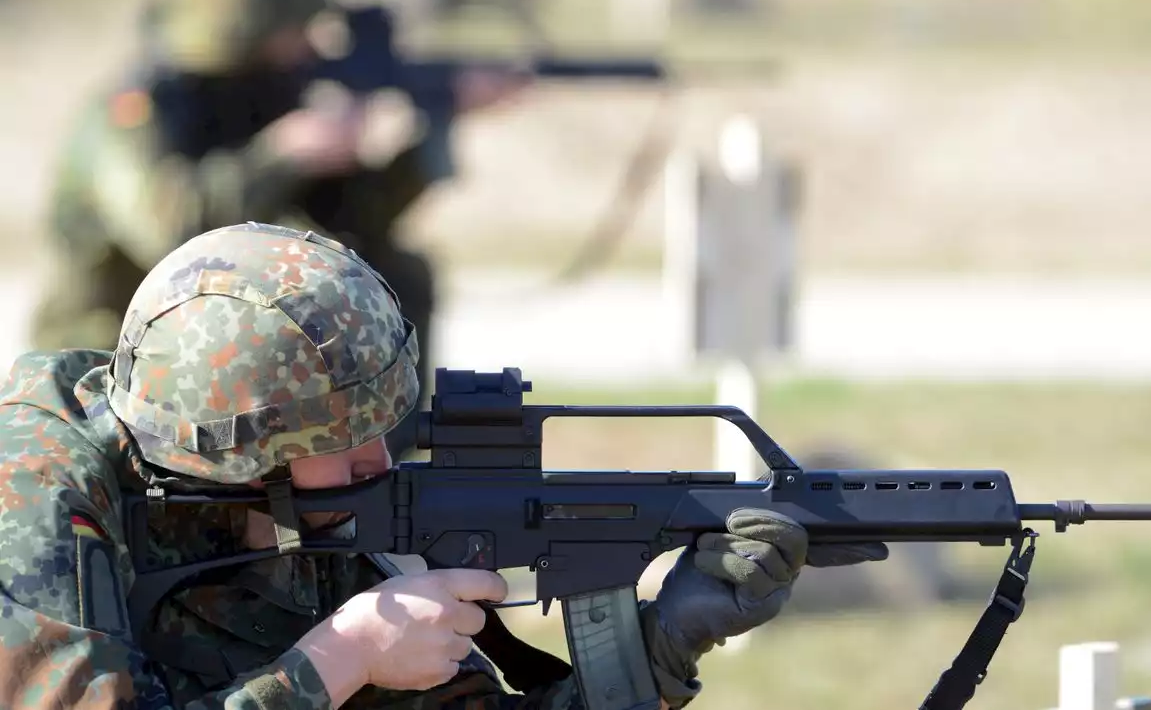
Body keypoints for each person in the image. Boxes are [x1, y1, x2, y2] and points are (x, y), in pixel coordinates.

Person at [0, 221, 888, 709]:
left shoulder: (317, 517)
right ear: (244, 455)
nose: (382, 457)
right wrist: (339, 657)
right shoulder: (36, 494)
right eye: (347, 442)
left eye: (387, 425)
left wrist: (660, 650)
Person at [27, 0, 528, 398]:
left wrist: (436, 125)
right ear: (248, 26)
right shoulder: (135, 112)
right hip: (110, 346)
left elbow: (354, 218)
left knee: (392, 273)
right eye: (295, 31)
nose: (309, 46)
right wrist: (286, 153)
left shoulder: (263, 96)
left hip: (208, 333)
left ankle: (382, 458)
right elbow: (170, 227)